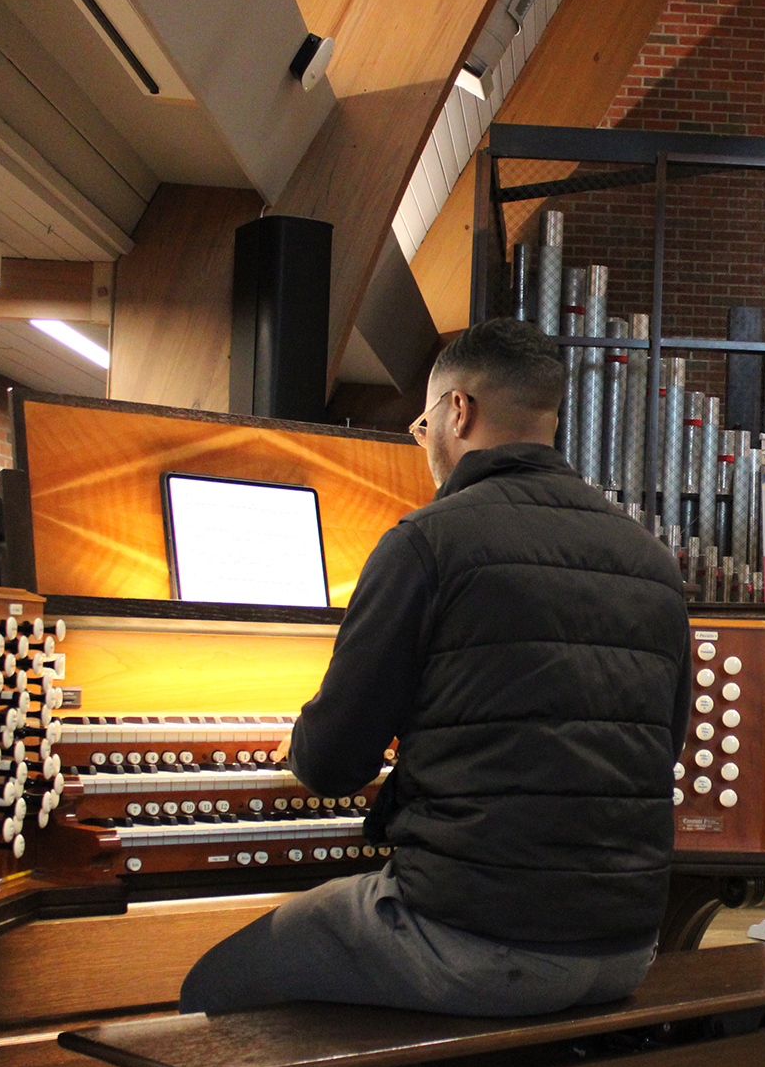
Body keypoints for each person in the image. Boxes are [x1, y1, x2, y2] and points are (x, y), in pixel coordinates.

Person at [179, 318, 691, 1018]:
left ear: (458, 410)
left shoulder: (428, 541)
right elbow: (660, 746)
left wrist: (303, 738)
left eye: (422, 426)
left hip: (469, 939)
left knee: (211, 987)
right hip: (625, 947)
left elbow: (333, 763)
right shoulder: (653, 561)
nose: (426, 447)